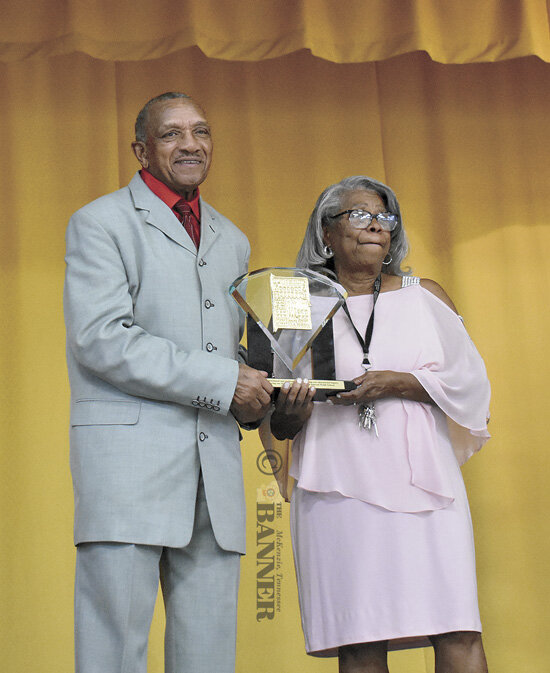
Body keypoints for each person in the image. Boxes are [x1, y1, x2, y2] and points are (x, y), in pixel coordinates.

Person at [63, 91, 273, 673]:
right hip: (128, 469)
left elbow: (222, 350)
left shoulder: (232, 239)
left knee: (208, 657)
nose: (190, 144)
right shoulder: (100, 223)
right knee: (114, 653)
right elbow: (102, 339)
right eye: (172, 133)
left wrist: (262, 387)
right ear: (141, 148)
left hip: (215, 471)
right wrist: (226, 379)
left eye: (201, 132)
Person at [268, 176, 490, 673]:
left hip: (426, 487)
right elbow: (278, 422)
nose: (375, 226)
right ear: (326, 232)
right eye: (359, 215)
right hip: (336, 489)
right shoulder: (296, 302)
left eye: (385, 217)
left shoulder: (424, 294)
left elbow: (473, 387)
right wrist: (293, 409)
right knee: (360, 638)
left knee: (458, 628)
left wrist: (397, 383)